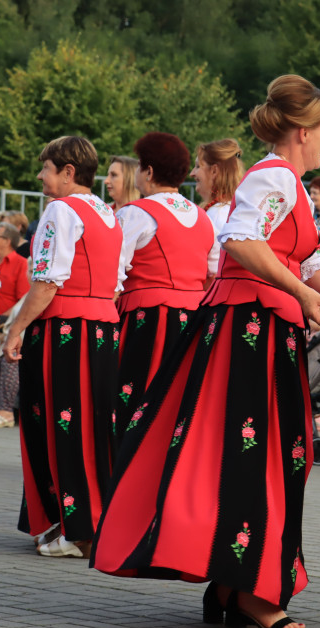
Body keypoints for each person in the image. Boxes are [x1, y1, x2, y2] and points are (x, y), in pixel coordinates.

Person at [92, 75, 320, 628]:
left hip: (264, 331)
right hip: (247, 332)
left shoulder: (285, 180)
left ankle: (232, 585)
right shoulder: (272, 177)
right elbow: (241, 241)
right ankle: (247, 590)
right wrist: (304, 294)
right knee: (252, 458)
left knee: (270, 457)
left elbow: (308, 259)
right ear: (301, 131)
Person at [2, 135, 124, 558]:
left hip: (65, 330)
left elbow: (48, 281)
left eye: (47, 168)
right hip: (104, 329)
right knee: (94, 427)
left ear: (68, 172)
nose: (40, 176)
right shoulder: (109, 213)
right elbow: (116, 281)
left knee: (58, 426)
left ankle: (73, 529)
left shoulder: (60, 209)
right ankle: (93, 522)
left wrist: (16, 328)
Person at [114, 132, 213, 432]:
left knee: (135, 397)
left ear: (149, 171)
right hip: (193, 319)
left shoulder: (135, 214)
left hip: (147, 318)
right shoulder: (202, 217)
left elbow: (113, 273)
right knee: (177, 402)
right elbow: (212, 274)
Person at [0, 222, 28, 429]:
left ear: (8, 241)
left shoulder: (20, 264)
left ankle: (5, 411)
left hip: (6, 326)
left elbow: (22, 301)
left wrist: (1, 322)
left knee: (7, 359)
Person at [191, 138, 244, 283]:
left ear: (214, 171)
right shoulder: (233, 210)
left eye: (197, 167)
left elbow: (214, 272)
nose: (192, 173)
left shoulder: (216, 215)